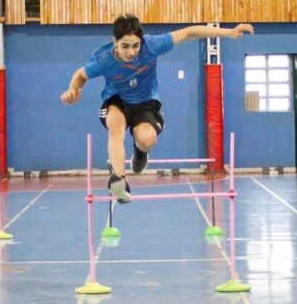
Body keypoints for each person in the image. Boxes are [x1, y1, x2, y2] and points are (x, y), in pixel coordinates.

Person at [60, 14, 254, 203]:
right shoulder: (103, 59)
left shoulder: (151, 45)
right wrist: (73, 91)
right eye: (125, 46)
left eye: (135, 46)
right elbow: (80, 75)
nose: (131, 51)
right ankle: (119, 179)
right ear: (115, 42)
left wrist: (229, 32)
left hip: (146, 102)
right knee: (115, 126)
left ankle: (140, 151)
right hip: (116, 100)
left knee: (146, 139)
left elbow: (188, 33)